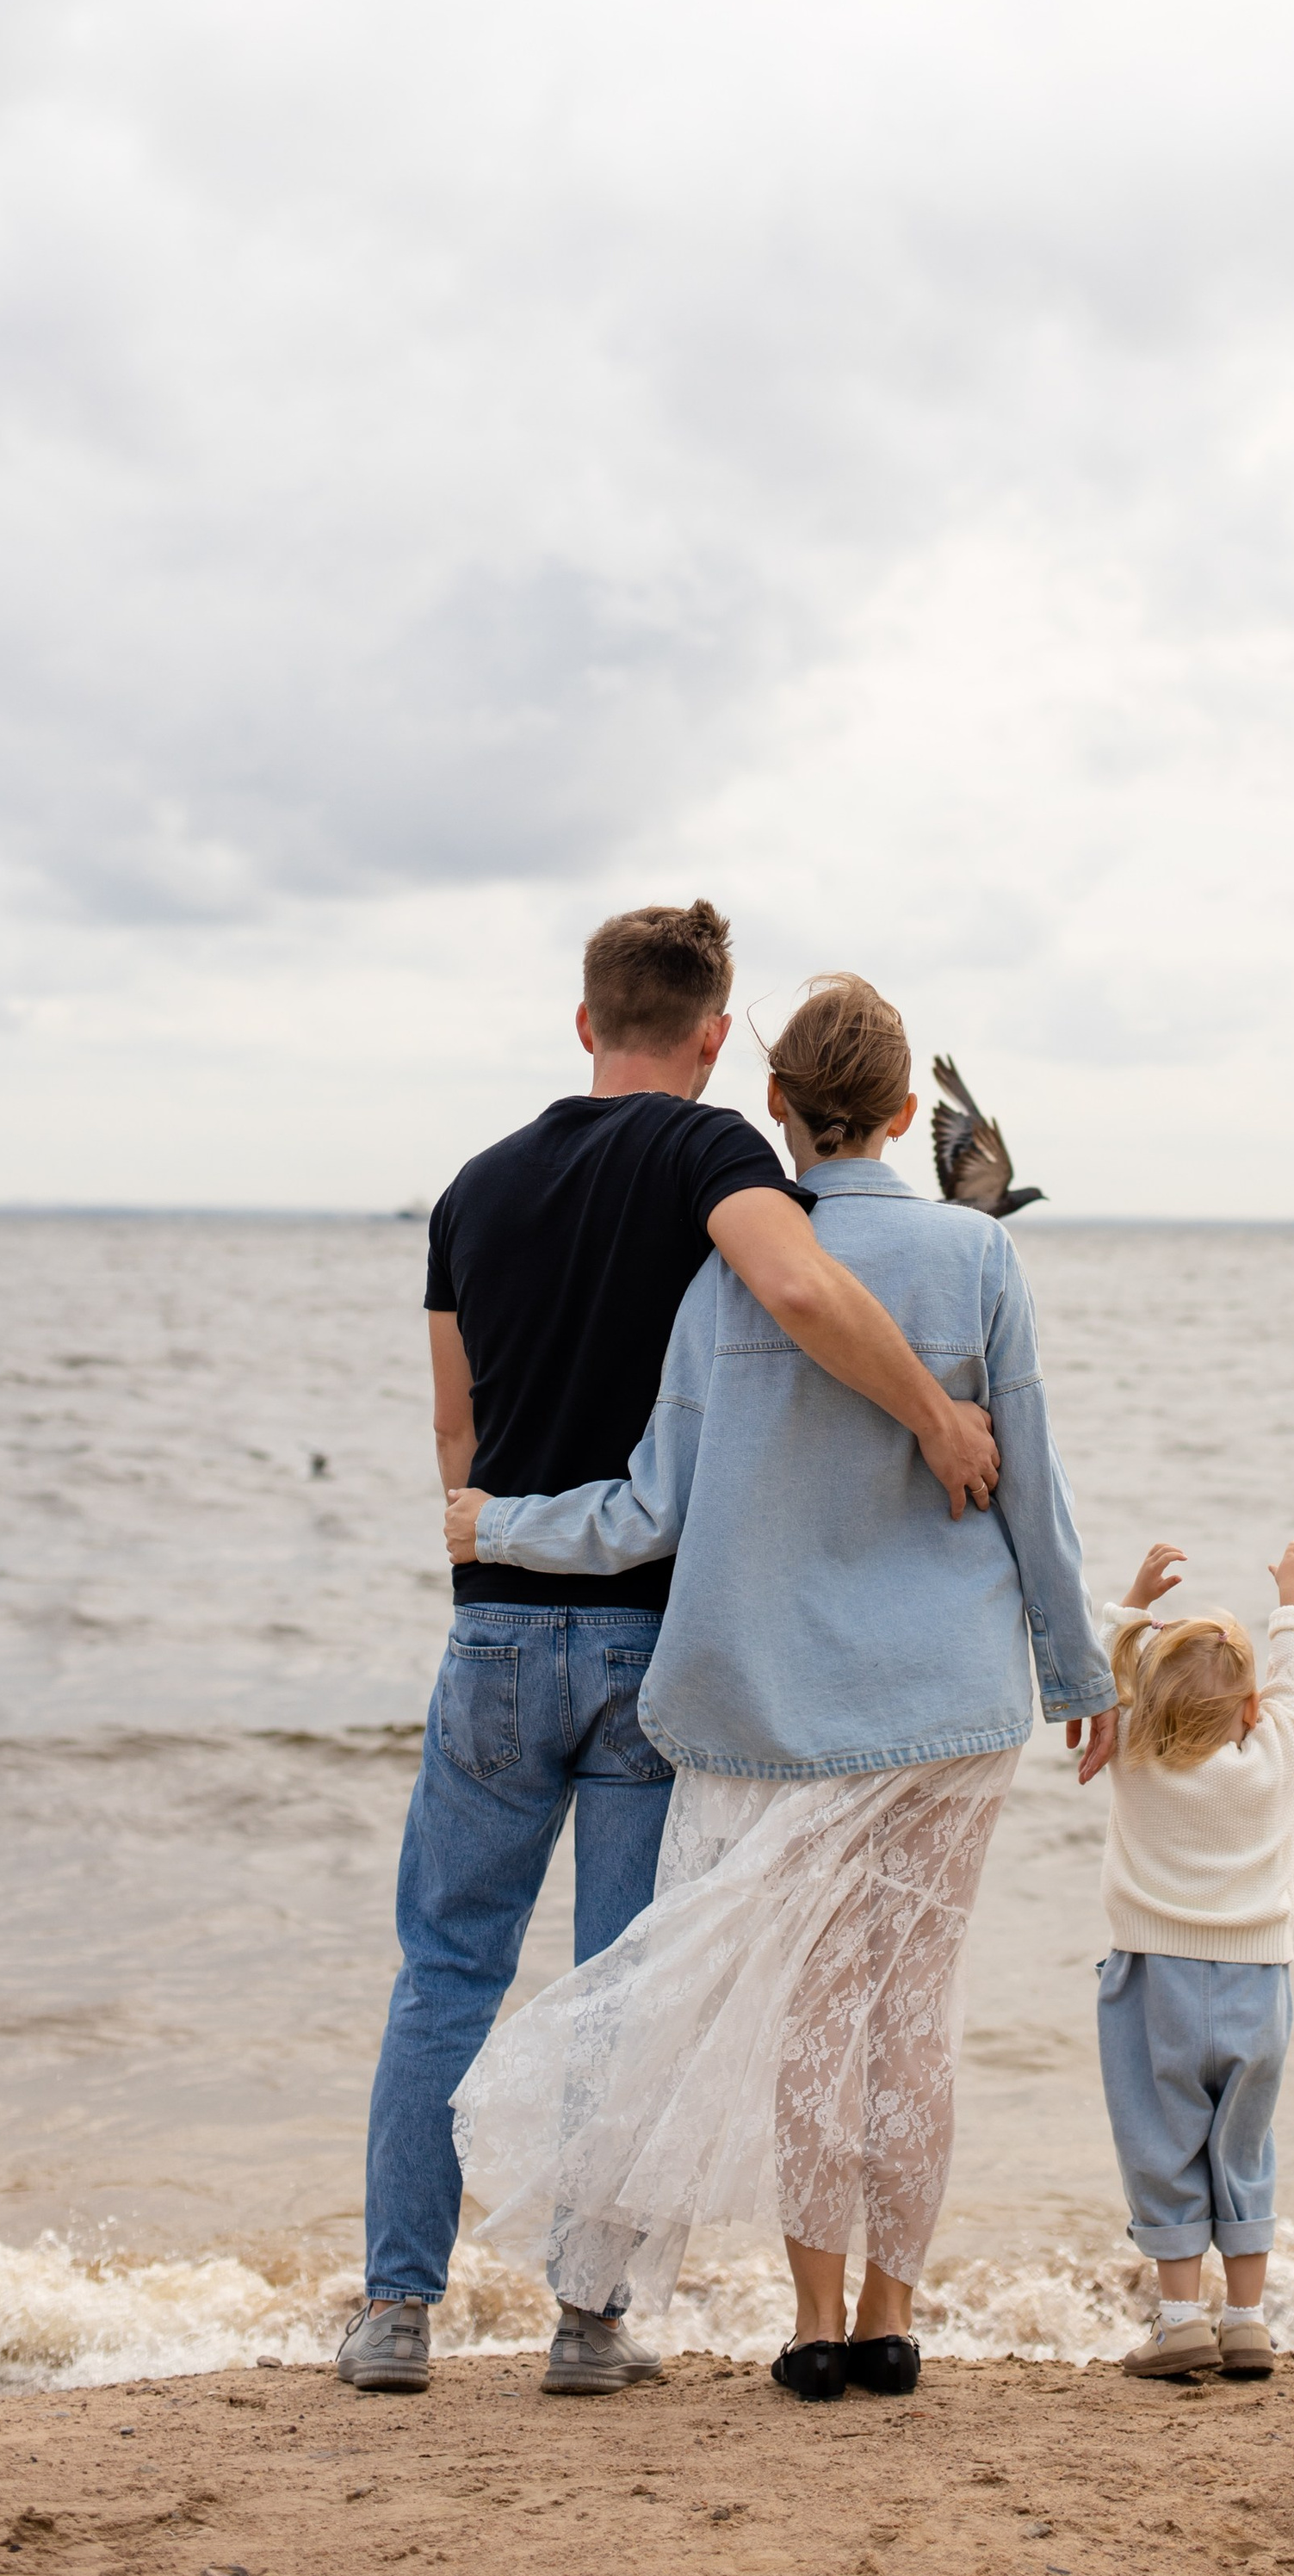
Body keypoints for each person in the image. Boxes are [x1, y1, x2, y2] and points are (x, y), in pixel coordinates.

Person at [341, 907, 1001, 2398]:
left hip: (496, 1629)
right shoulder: (713, 1162)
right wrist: (936, 1420)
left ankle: (395, 2312)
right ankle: (588, 2322)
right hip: (654, 1646)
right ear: (715, 1040)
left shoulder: (469, 1192)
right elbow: (805, 1290)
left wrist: (491, 1535)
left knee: (444, 1970)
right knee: (622, 1984)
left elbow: (457, 1439)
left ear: (585, 1023)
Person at [443, 973, 1117, 2402]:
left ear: (778, 1111)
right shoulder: (979, 1259)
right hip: (953, 1706)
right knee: (913, 2018)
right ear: (901, 1114)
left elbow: (647, 1512)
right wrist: (1080, 1672)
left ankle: (814, 2333)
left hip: (792, 1715)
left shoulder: (727, 1274)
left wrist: (498, 1525)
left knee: (820, 2017)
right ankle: (892, 2321)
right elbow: (1033, 1485)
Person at [1085, 1527, 1294, 2382]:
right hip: (1259, 1982)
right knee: (1243, 2147)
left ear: (1147, 1706)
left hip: (1153, 1976)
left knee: (1162, 2144)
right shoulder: (1278, 1750)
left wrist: (1135, 1600)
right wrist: (1293, 1596)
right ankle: (1249, 2321)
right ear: (1251, 1710)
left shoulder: (1132, 1748)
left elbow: (1100, 1662)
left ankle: (1181, 2319)